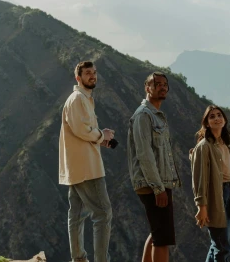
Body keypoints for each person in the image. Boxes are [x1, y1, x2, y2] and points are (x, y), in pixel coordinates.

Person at [59, 61, 115, 262]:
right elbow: (82, 130)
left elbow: (81, 132)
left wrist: (101, 139)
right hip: (87, 168)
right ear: (78, 78)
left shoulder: (84, 99)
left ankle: (79, 258)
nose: (92, 76)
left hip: (78, 166)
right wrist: (102, 134)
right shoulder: (77, 99)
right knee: (103, 213)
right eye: (87, 73)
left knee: (77, 215)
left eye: (94, 73)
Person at [127, 72, 181, 262]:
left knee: (157, 233)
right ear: (147, 87)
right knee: (162, 239)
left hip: (159, 182)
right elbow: (145, 154)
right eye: (157, 84)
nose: (162, 87)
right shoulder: (144, 115)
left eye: (165, 84)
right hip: (153, 184)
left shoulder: (156, 116)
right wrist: (158, 188)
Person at [191, 105, 230, 262]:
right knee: (222, 246)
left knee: (217, 244)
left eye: (219, 115)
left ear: (224, 120)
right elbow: (198, 180)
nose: (217, 118)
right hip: (214, 198)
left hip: (228, 194)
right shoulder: (204, 146)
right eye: (212, 116)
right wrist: (202, 207)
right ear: (206, 123)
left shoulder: (226, 145)